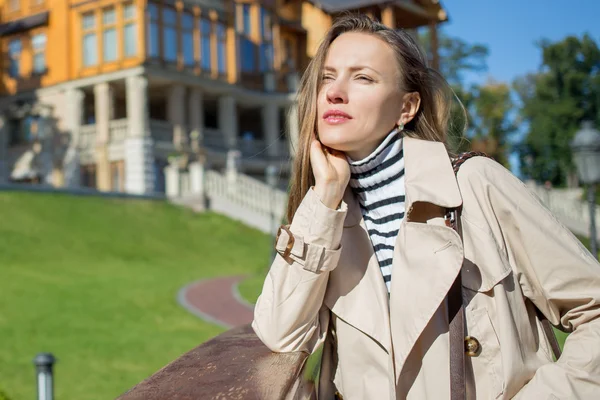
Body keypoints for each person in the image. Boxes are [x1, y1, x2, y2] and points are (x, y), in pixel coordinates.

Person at [252, 14, 600, 399]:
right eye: (327, 77)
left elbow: (594, 308)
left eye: (362, 77)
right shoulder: (328, 217)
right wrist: (325, 196)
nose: (335, 92)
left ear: (407, 107)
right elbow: (279, 333)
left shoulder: (473, 186)